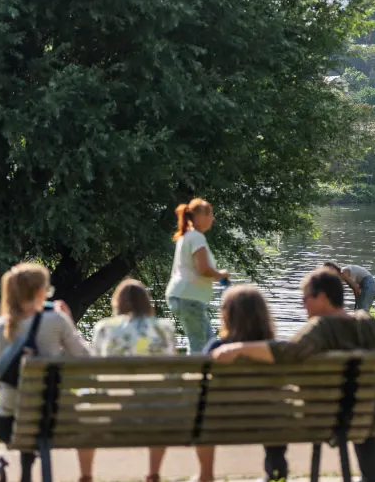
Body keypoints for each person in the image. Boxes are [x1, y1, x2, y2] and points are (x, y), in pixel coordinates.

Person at [211, 267, 375, 482]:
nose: (303, 305)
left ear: (322, 297)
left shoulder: (320, 328)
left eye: (306, 299)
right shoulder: (370, 325)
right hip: (370, 413)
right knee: (361, 414)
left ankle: (275, 473)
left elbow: (287, 353)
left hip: (323, 417)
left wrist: (238, 348)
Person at [0, 263, 94, 482]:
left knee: (9, 409)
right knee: (37, 412)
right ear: (40, 292)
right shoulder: (56, 321)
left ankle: (25, 472)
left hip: (8, 423)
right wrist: (69, 322)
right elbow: (86, 359)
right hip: (54, 420)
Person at [89, 279, 176, 482]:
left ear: (117, 303)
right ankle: (153, 473)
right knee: (159, 400)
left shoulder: (105, 328)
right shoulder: (164, 328)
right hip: (156, 409)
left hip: (112, 408)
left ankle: (86, 475)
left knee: (87, 403)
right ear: (147, 302)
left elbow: (93, 368)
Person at [197, 285, 277, 482]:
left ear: (227, 315)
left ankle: (206, 474)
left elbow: (201, 382)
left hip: (222, 418)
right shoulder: (273, 349)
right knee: (276, 408)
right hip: (267, 417)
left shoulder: (217, 347)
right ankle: (275, 471)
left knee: (202, 411)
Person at [165, 198, 229, 353]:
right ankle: (194, 375)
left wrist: (216, 276)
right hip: (189, 298)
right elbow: (203, 269)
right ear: (200, 216)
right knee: (199, 345)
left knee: (209, 343)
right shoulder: (196, 237)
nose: (213, 219)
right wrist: (220, 274)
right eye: (210, 215)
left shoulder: (187, 236)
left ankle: (203, 375)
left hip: (183, 296)